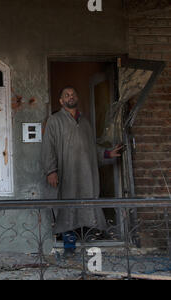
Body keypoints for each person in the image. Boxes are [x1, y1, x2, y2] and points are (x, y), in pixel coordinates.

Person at [41, 86, 123, 257]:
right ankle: (69, 245)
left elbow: (92, 148)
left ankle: (91, 240)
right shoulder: (54, 121)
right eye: (66, 95)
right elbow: (48, 148)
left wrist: (108, 153)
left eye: (73, 94)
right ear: (61, 101)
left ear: (77, 98)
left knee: (87, 204)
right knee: (67, 207)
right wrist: (51, 171)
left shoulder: (84, 122)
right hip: (66, 173)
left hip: (85, 172)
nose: (70, 97)